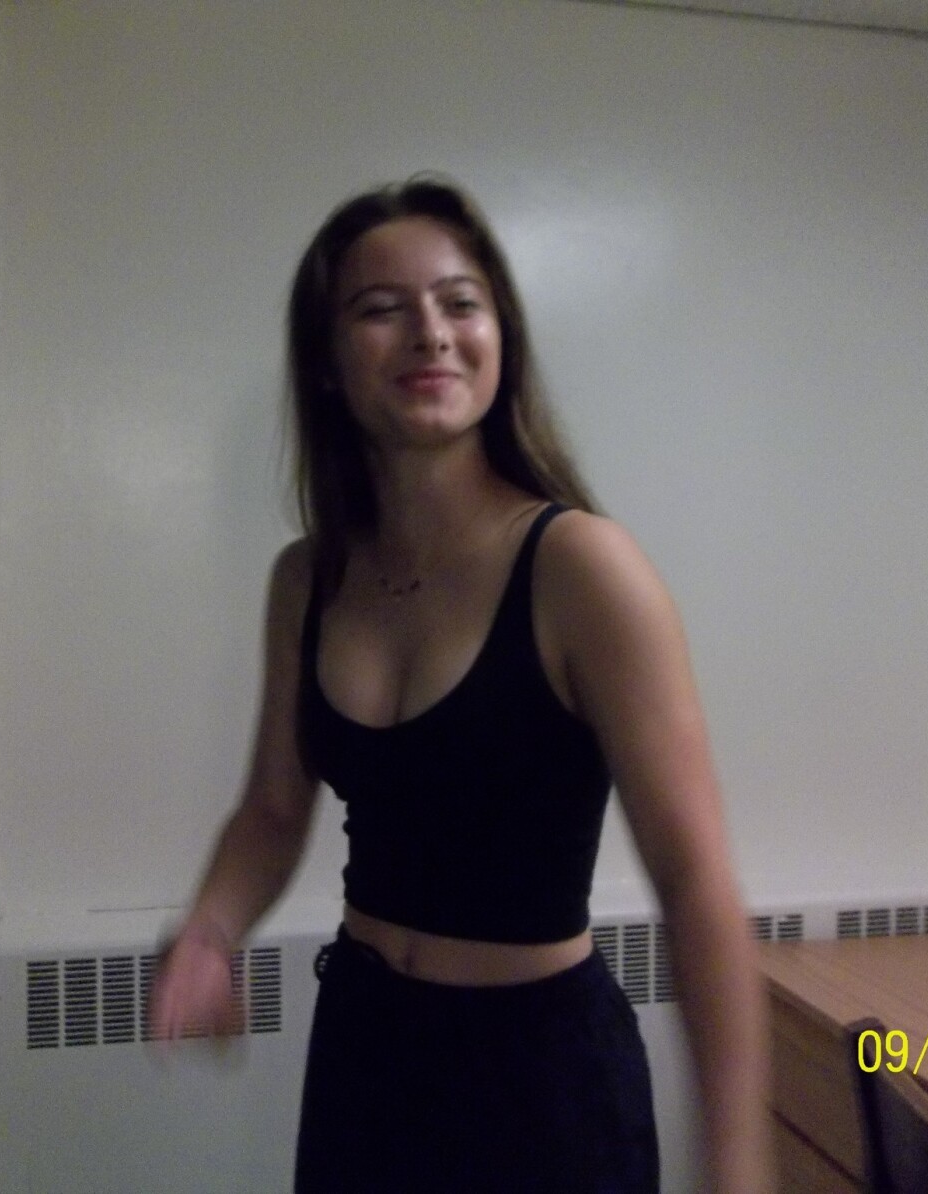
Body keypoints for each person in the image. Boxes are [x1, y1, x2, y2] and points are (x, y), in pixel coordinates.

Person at [149, 176, 772, 1193]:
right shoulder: (307, 578)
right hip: (365, 1055)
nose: (430, 333)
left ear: (499, 338)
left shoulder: (581, 568)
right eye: (381, 308)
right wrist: (210, 931)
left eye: (459, 302)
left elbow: (697, 881)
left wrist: (739, 1167)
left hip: (541, 1085)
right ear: (326, 363)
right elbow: (271, 808)